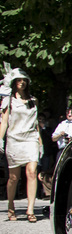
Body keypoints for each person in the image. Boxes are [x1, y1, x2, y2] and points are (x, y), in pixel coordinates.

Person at [0, 68, 43, 222]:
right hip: (14, 139)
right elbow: (4, 121)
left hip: (30, 138)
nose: (22, 82)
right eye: (19, 80)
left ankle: (30, 209)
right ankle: (11, 205)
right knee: (13, 177)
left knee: (31, 173)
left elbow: (36, 123)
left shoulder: (34, 100)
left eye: (24, 80)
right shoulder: (8, 101)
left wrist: (40, 142)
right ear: (13, 83)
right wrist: (0, 139)